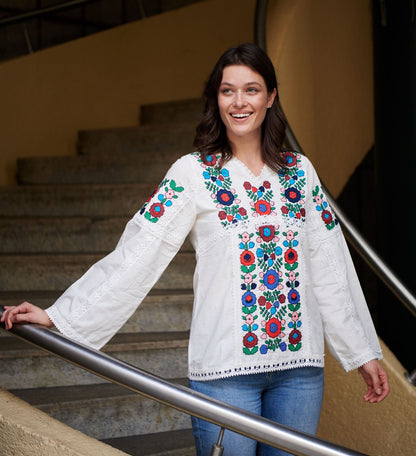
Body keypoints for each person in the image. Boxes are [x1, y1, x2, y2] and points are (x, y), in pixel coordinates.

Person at [1, 43, 389, 455]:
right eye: (227, 91)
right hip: (225, 373)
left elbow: (329, 263)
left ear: (271, 96)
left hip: (300, 373)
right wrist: (59, 315)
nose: (239, 102)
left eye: (251, 89)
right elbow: (139, 251)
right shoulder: (192, 172)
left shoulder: (300, 171)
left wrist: (362, 351)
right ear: (216, 98)